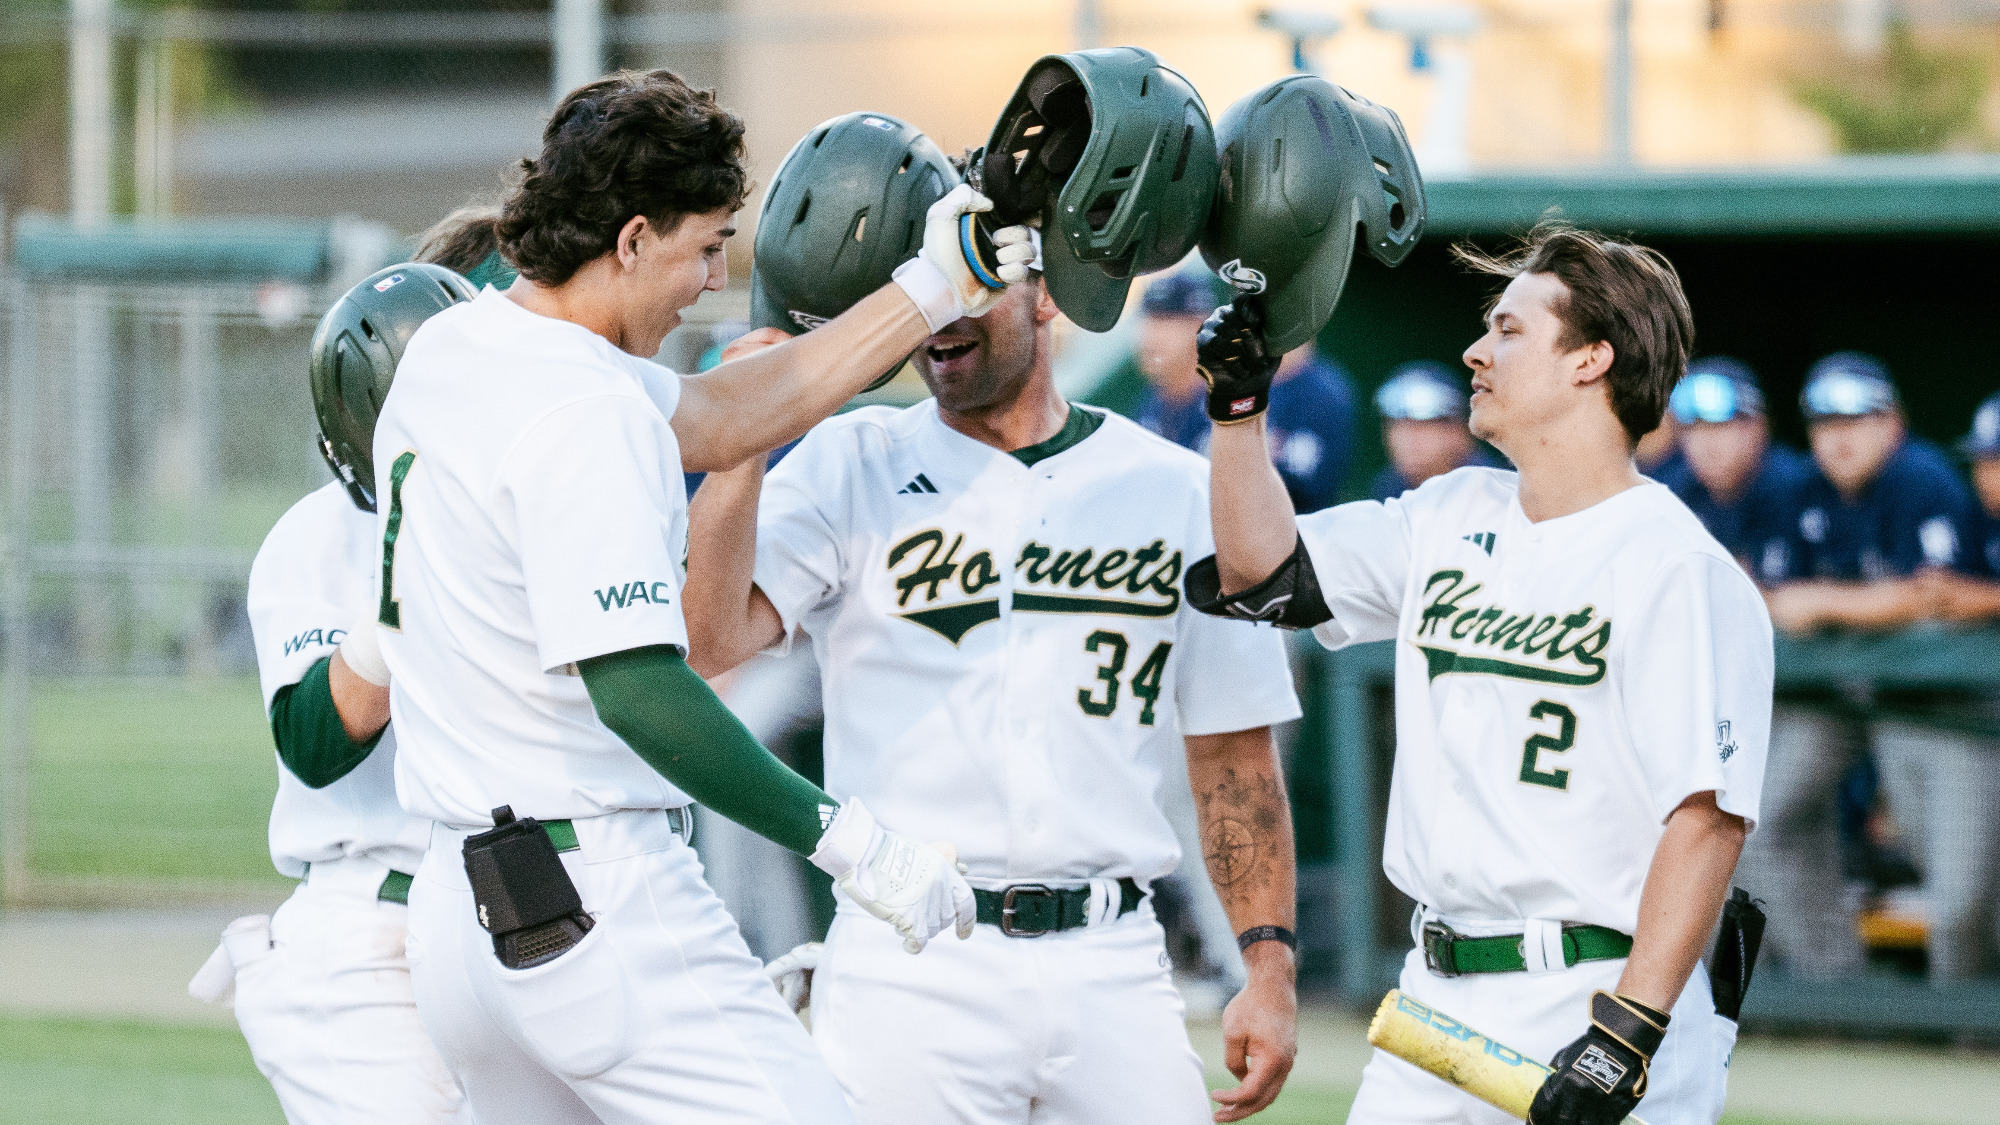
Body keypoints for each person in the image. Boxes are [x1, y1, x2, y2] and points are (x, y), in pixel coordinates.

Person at [366, 70, 1034, 1125]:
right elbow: (638, 689)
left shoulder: (461, 346)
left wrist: (931, 288)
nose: (713, 275)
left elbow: (727, 414)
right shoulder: (580, 408)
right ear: (630, 239)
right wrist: (854, 845)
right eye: (705, 244)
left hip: (463, 919)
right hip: (592, 896)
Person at [681, 270, 1305, 1121]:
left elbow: (1236, 752)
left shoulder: (1174, 485)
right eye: (925, 286)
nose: (941, 312)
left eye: (971, 284)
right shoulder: (852, 457)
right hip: (911, 953)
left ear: (1045, 296)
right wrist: (742, 447)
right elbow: (710, 637)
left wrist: (1267, 967)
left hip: (1111, 954)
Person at [1191, 221, 1767, 1125]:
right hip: (1436, 991)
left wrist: (1628, 1033)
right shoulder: (1452, 510)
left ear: (1591, 361)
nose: (1475, 349)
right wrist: (1238, 414)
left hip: (1593, 990)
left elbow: (1706, 820)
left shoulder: (1678, 567)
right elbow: (1261, 571)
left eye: (1509, 329)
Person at [1747, 353, 1980, 981]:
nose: (1841, 435)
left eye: (1859, 417)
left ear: (1893, 423)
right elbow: (1769, 599)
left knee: (1955, 879)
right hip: (1838, 697)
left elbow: (1932, 594)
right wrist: (1862, 607)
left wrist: (1826, 602)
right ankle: (1832, 986)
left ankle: (1967, 1019)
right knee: (1765, 821)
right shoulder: (1800, 490)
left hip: (1933, 706)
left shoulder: (1923, 477)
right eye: (1826, 421)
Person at [1136, 268, 1358, 512]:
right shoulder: (1154, 405)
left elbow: (1300, 493)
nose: (1152, 336)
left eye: (1167, 322)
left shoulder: (1321, 392)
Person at [1650, 357, 1810, 581]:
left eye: (1720, 426)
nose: (1706, 444)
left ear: (1757, 427)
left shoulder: (1801, 488)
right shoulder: (1672, 491)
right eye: (1693, 428)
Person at [1367, 361, 1497, 501]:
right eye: (1397, 425)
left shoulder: (1495, 489)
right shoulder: (1389, 488)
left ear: (1460, 431)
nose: (1408, 439)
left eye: (1422, 426)